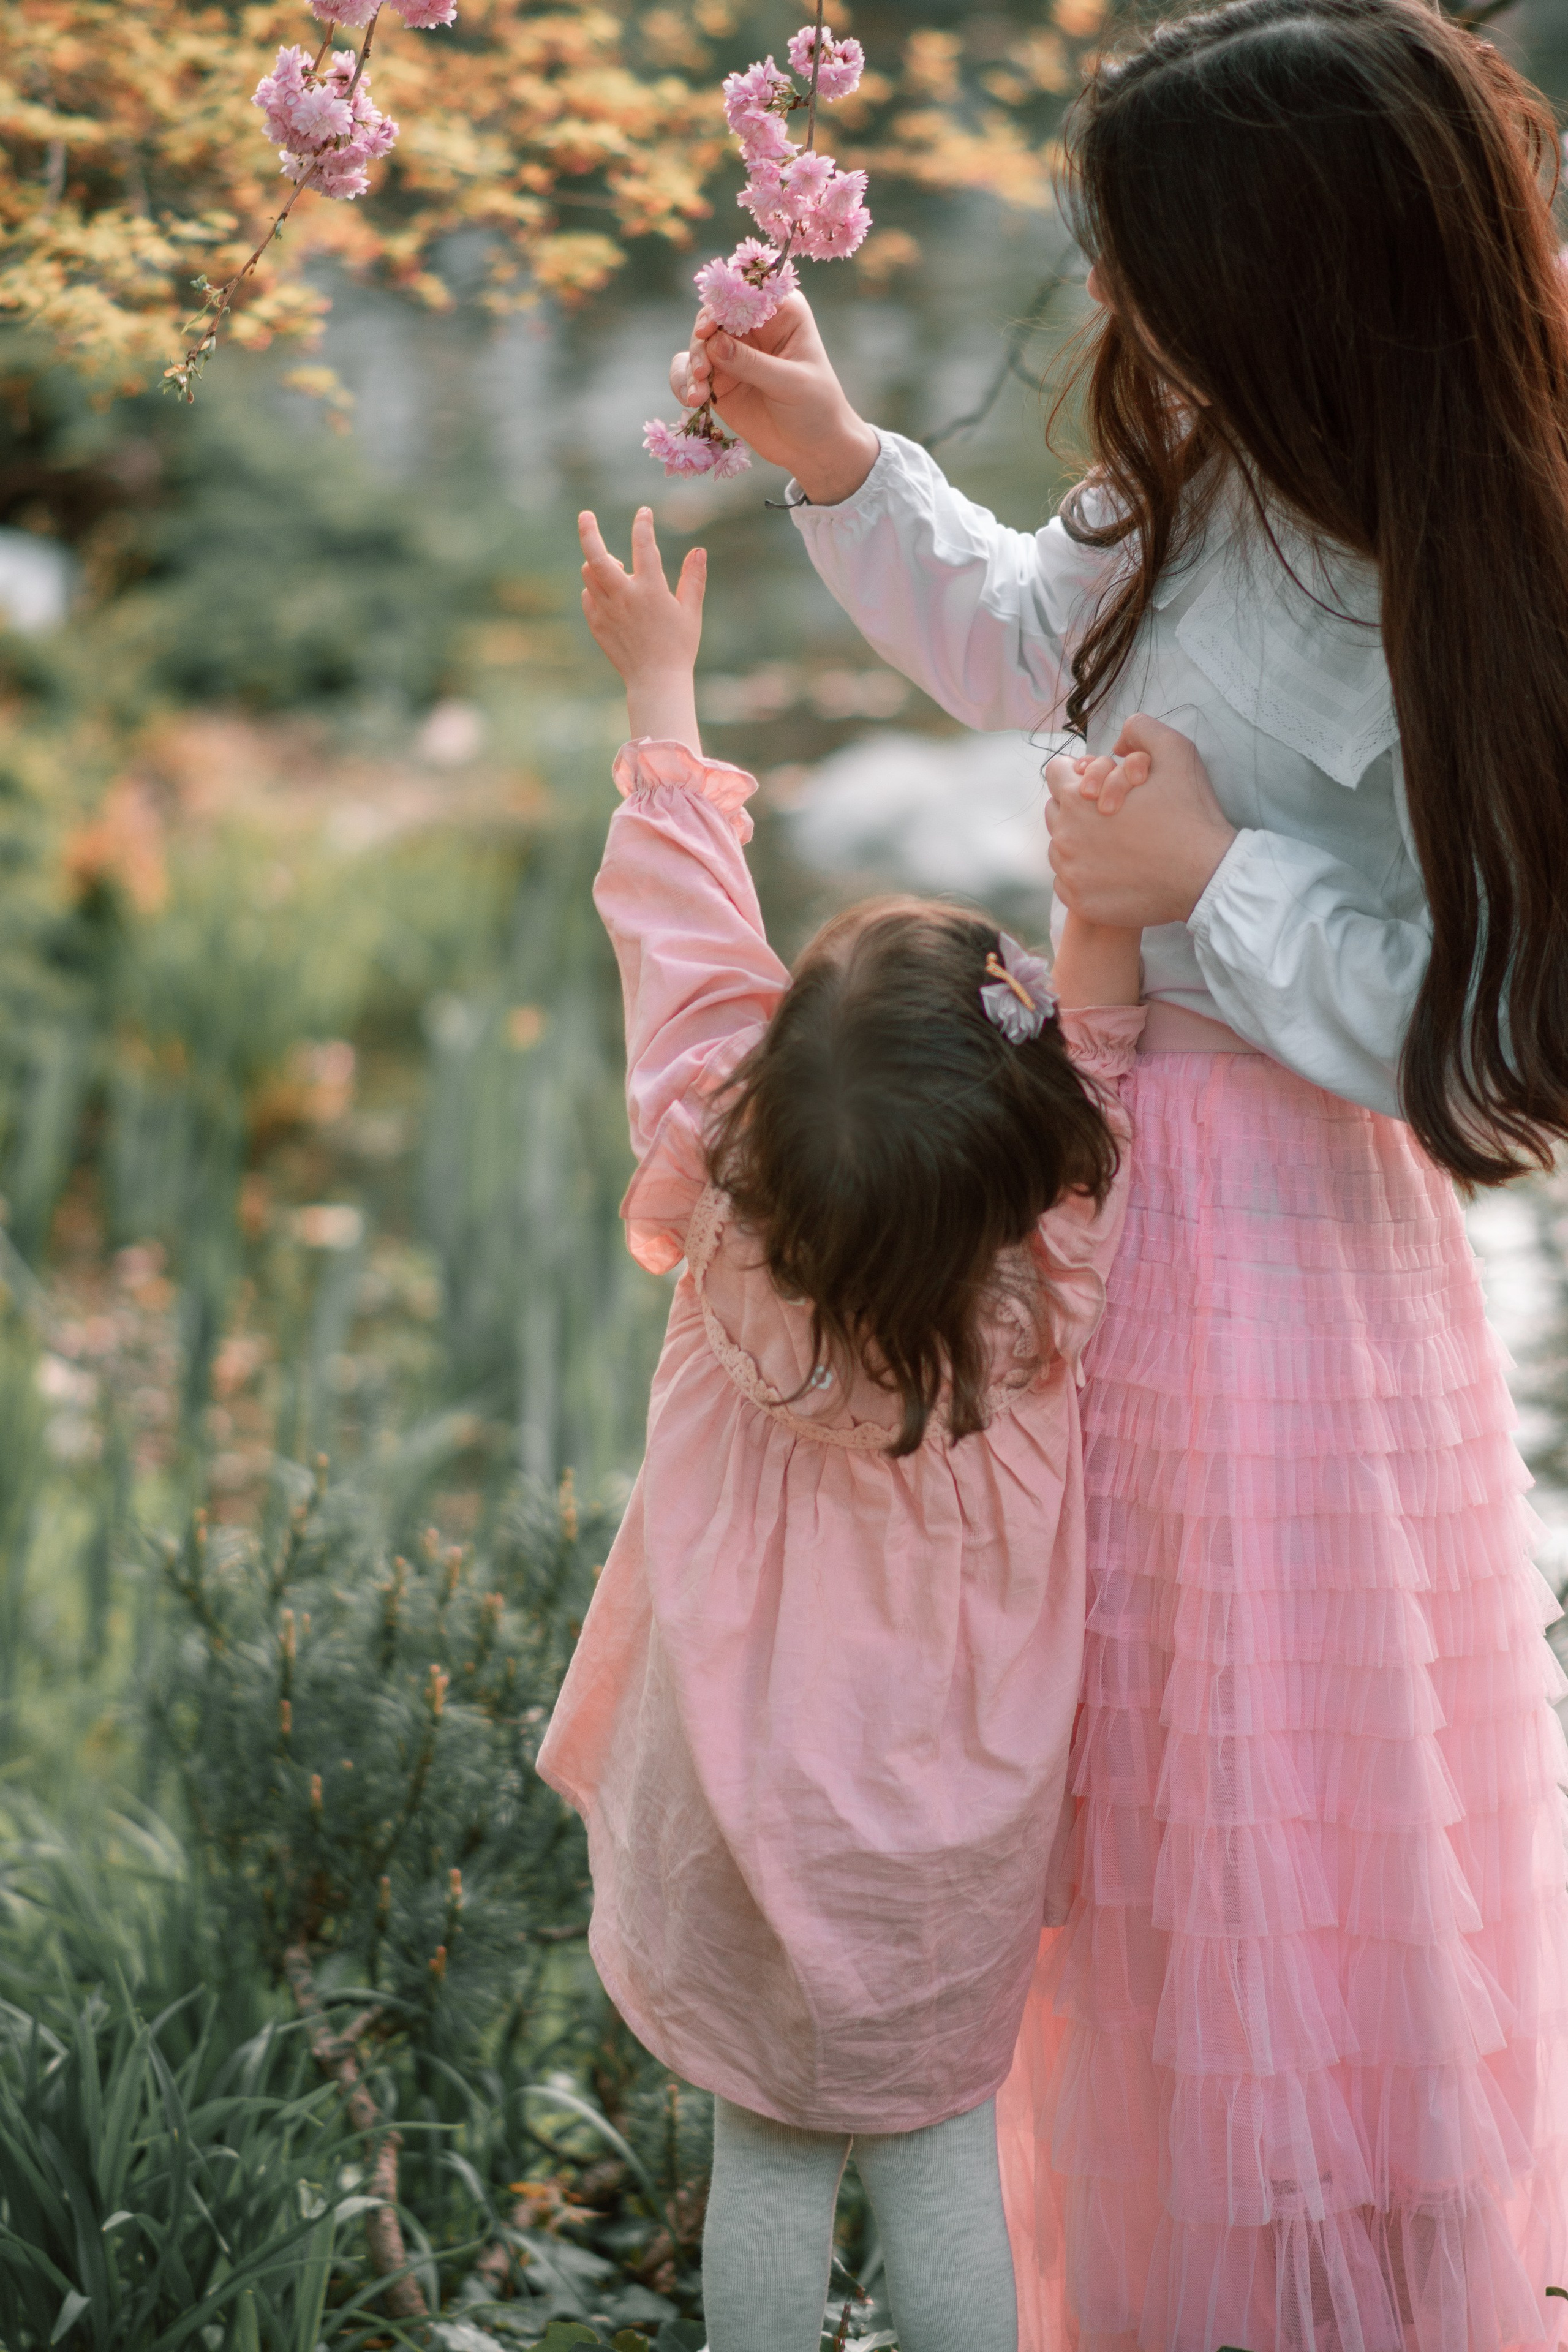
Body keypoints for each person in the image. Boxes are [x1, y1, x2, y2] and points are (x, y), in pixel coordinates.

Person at [669, 2, 1568, 2347]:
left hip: (1289, 1274)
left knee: (1277, 1845)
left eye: (1150, 248)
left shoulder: (1478, 569)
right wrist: (838, 456)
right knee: (1093, 1825)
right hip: (1083, 1219)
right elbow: (1016, 649)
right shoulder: (1201, 464)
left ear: (1299, 263)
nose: (1119, 300)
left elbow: (1501, 1035)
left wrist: (1214, 886)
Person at [536, 503, 1148, 2352]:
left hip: (736, 1799)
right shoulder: (1053, 1283)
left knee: (774, 2159)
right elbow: (1104, 1049)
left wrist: (660, 683)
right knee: (942, 2156)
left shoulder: (722, 1204)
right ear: (1019, 1146)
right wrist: (1101, 896)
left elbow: (682, 937)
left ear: (761, 1097)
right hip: (943, 1835)